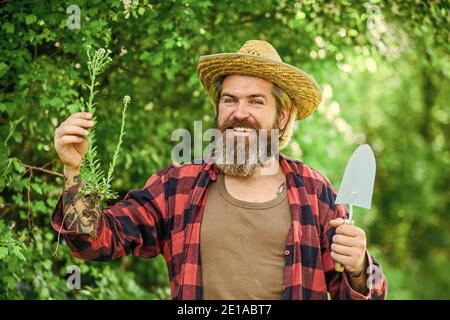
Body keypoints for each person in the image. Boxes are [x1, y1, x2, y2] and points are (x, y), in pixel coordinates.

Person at [52, 40, 387, 300]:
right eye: (230, 100)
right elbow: (93, 242)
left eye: (256, 101)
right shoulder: (178, 186)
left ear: (281, 116)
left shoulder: (315, 192)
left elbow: (367, 292)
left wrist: (358, 268)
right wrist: (72, 170)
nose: (239, 113)